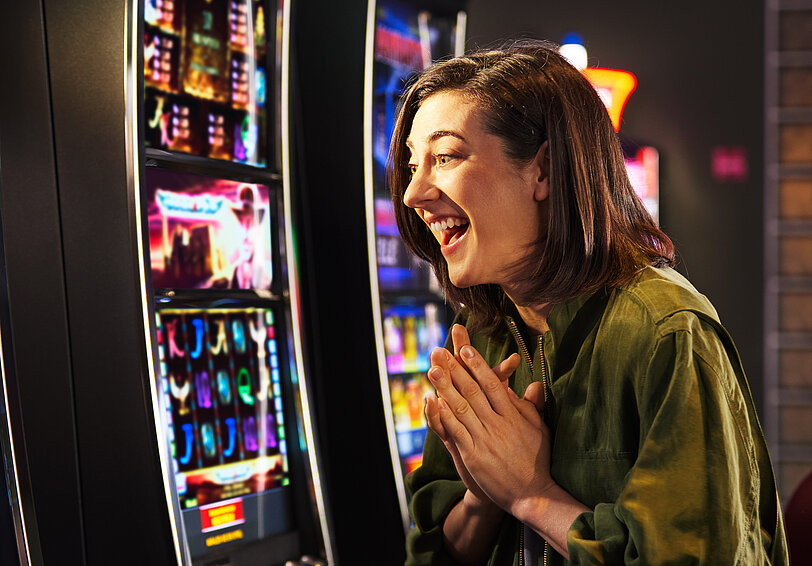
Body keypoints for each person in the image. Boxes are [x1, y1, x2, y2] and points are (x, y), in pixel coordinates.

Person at [389, 40, 789, 565]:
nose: (413, 194)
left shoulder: (666, 332)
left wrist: (530, 494)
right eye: (414, 164)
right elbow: (435, 552)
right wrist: (483, 494)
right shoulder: (482, 330)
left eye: (445, 157)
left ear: (545, 171)